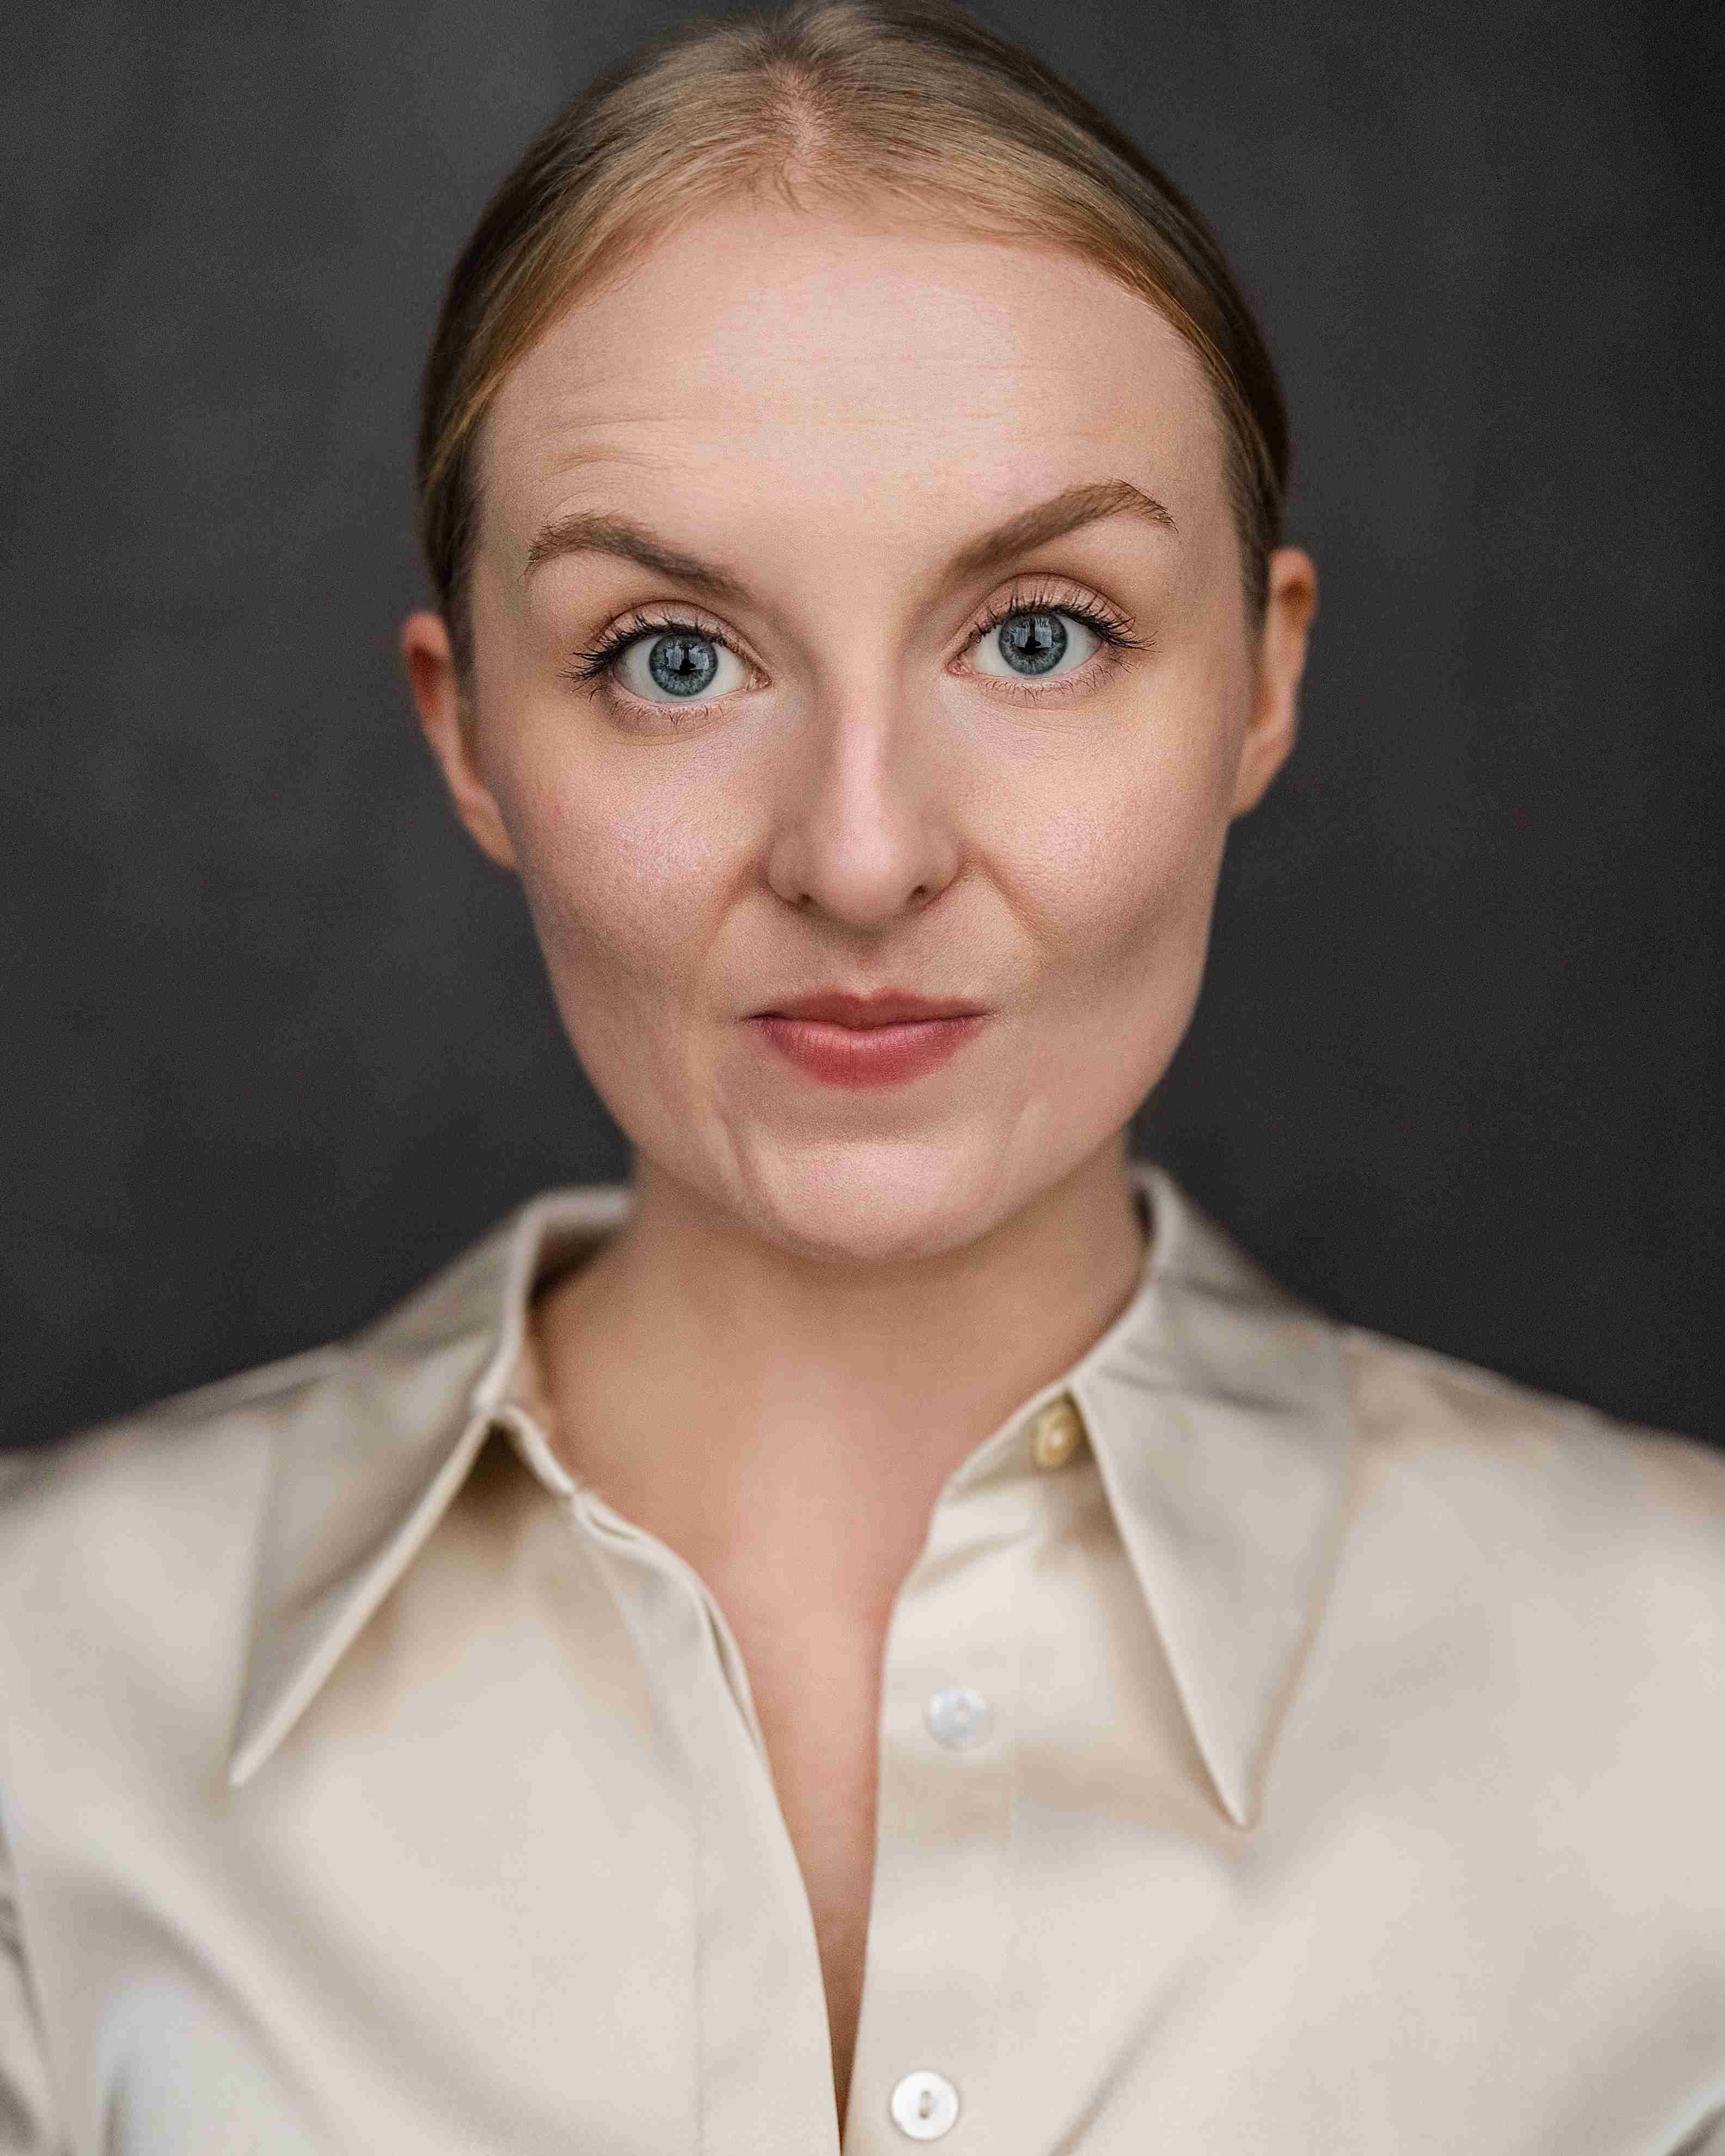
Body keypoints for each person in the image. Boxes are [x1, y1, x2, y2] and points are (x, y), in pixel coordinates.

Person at [2, 1, 1721, 2149]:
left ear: (1262, 682)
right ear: (470, 735)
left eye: (1038, 635)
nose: (862, 853)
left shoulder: (1693, 1706)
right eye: (675, 659)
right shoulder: (38, 1707)